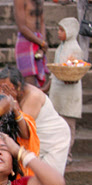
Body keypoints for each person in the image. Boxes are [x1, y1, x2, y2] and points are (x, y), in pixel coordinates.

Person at [0, 66, 71, 182]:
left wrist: (15, 104)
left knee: (48, 181)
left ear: (19, 86)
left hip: (55, 140)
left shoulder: (32, 96)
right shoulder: (5, 95)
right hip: (37, 139)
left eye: (7, 88)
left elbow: (25, 132)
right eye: (0, 88)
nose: (2, 92)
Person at [49, 17, 84, 163]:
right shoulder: (60, 47)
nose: (58, 33)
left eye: (62, 30)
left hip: (70, 93)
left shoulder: (74, 48)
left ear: (70, 31)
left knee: (68, 125)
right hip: (58, 91)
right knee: (57, 123)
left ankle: (67, 154)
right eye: (59, 29)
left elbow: (74, 69)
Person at [14, 0, 49, 88]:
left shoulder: (40, 1)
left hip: (39, 42)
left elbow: (42, 22)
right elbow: (22, 27)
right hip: (25, 42)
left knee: (42, 83)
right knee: (30, 85)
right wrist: (41, 42)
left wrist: (42, 44)